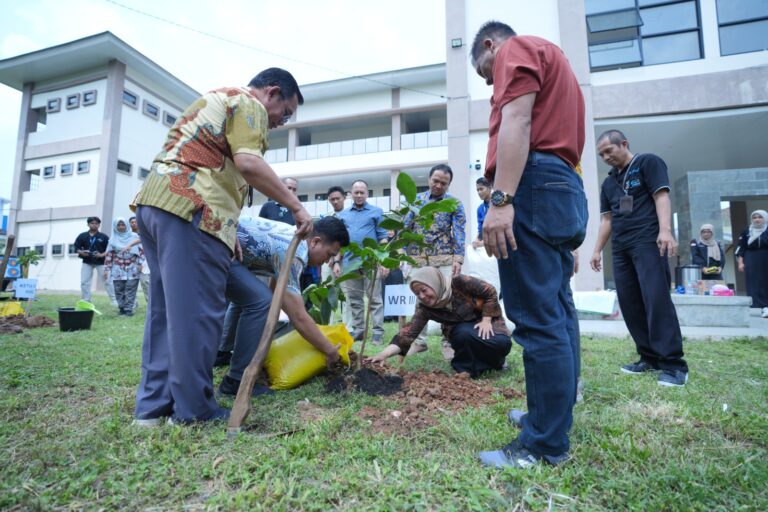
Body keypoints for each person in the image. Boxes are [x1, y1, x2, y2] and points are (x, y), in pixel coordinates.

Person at [131, 67, 312, 426]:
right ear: (272, 92)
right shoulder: (250, 105)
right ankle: (194, 411)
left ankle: (152, 409)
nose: (282, 121)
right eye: (286, 112)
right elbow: (248, 163)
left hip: (158, 205)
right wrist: (296, 206)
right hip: (193, 208)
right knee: (198, 314)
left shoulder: (221, 98)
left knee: (166, 313)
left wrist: (228, 234)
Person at [471, 21, 588, 469]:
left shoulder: (515, 49)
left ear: (489, 45)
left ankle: (544, 444)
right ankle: (553, 416)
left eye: (484, 72)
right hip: (561, 183)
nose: (490, 83)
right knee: (557, 308)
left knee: (537, 317)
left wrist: (500, 201)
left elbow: (517, 120)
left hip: (532, 183)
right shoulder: (556, 60)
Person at [590, 129, 688, 388]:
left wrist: (665, 230)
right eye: (601, 155)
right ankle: (649, 357)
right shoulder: (609, 183)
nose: (605, 158)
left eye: (609, 151)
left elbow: (661, 196)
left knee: (656, 299)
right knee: (630, 303)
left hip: (647, 241)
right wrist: (597, 250)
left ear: (624, 144)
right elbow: (607, 219)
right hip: (621, 248)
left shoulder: (648, 162)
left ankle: (673, 364)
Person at [217, 216, 348, 397]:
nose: (327, 261)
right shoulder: (296, 252)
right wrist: (330, 351)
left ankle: (223, 354)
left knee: (253, 299)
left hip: (220, 244)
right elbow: (298, 316)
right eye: (329, 254)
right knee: (261, 302)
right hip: (218, 249)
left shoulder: (294, 236)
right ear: (315, 242)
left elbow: (277, 292)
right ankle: (236, 381)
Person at [367, 267, 511, 378]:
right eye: (417, 294)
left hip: (487, 324)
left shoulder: (459, 282)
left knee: (502, 343)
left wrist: (486, 319)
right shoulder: (425, 308)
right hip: (462, 332)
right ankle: (465, 371)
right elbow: (407, 334)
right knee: (462, 333)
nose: (422, 296)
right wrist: (383, 354)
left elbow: (490, 291)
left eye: (424, 290)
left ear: (434, 283)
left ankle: (496, 361)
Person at [402, 164, 466, 355]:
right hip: (418, 257)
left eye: (443, 183)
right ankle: (419, 341)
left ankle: (448, 342)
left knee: (447, 298)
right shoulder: (415, 201)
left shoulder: (455, 203)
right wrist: (402, 255)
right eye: (435, 181)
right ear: (429, 179)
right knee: (420, 299)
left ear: (449, 184)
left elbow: (459, 232)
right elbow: (405, 229)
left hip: (444, 257)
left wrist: (458, 259)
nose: (438, 185)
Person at [333, 180, 388, 344]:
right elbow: (340, 242)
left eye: (361, 192)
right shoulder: (342, 216)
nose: (358, 195)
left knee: (374, 299)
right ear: (350, 194)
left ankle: (377, 333)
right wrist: (336, 262)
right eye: (355, 192)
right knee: (354, 299)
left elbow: (383, 238)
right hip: (350, 263)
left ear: (367, 194)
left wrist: (383, 261)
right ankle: (359, 331)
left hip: (371, 263)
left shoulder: (376, 212)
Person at [103, 218, 143, 316]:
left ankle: (128, 309)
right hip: (118, 267)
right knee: (119, 289)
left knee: (131, 289)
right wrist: (106, 269)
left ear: (127, 225)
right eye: (119, 225)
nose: (121, 227)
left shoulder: (134, 236)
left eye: (123, 225)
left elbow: (141, 251)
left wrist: (141, 264)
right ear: (115, 227)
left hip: (133, 267)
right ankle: (121, 308)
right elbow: (109, 255)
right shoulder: (113, 239)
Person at [74, 216, 116, 304]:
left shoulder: (103, 237)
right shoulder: (82, 236)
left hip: (101, 262)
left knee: (107, 281)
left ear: (99, 225)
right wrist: (82, 253)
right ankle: (86, 300)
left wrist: (101, 255)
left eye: (96, 223)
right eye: (92, 223)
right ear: (88, 224)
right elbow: (76, 247)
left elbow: (109, 249)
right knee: (84, 281)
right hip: (87, 261)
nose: (94, 225)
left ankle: (114, 300)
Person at [735, 210, 768, 317]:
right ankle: (756, 306)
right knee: (753, 282)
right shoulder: (746, 231)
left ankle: (766, 306)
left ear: (765, 218)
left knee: (765, 281)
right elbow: (741, 248)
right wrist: (740, 263)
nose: (757, 219)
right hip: (751, 258)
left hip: (765, 257)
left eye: (760, 217)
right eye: (754, 217)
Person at [129, 216, 151, 308]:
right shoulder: (127, 235)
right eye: (132, 222)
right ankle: (133, 304)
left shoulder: (145, 233)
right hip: (131, 263)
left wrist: (143, 263)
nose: (134, 224)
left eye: (136, 222)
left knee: (146, 283)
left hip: (145, 263)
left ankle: (150, 305)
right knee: (131, 285)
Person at [472, 177, 493, 249]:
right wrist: (476, 241)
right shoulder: (480, 209)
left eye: (481, 189)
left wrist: (483, 243)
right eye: (477, 190)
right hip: (486, 245)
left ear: (490, 188)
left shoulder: (498, 205)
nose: (479, 192)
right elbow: (480, 229)